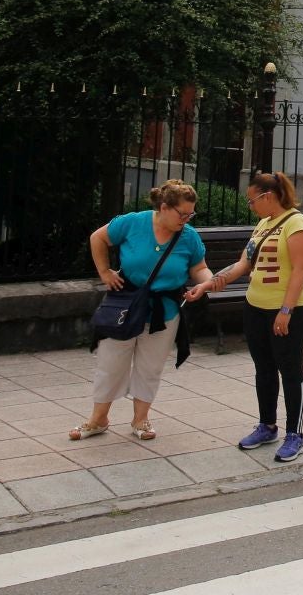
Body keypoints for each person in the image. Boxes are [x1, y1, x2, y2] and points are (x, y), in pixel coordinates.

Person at [70, 179, 213, 441]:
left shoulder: (189, 236)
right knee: (111, 361)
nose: (186, 219)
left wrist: (206, 283)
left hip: (164, 310)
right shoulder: (133, 222)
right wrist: (104, 271)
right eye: (182, 213)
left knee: (151, 366)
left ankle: (140, 419)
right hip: (125, 303)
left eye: (190, 214)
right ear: (164, 207)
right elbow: (97, 238)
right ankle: (98, 419)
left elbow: (199, 267)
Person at [199, 171, 303, 463]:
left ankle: (295, 434)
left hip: (288, 309)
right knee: (263, 368)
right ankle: (267, 425)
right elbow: (244, 263)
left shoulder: (296, 223)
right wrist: (208, 283)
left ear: (268, 196)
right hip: (256, 306)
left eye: (252, 200)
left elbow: (301, 270)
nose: (250, 206)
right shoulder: (263, 225)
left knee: (290, 369)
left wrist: (286, 310)